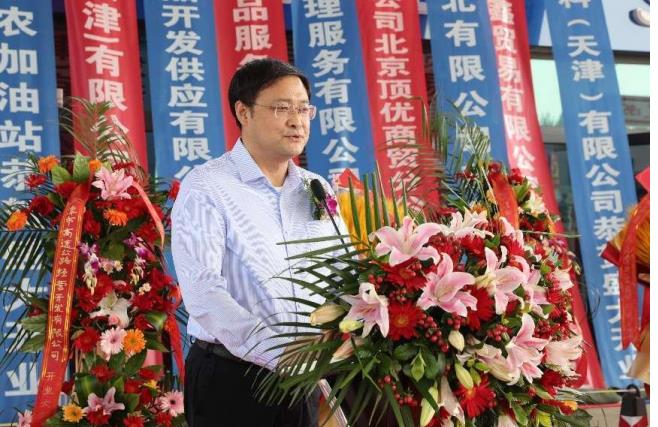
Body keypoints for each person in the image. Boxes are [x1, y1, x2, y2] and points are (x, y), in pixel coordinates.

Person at [171, 58, 344, 427]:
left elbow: (341, 272)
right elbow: (203, 293)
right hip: (233, 379)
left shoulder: (317, 188)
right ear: (243, 112)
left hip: (305, 378)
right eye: (282, 108)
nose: (297, 121)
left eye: (304, 109)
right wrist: (281, 354)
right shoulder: (207, 186)